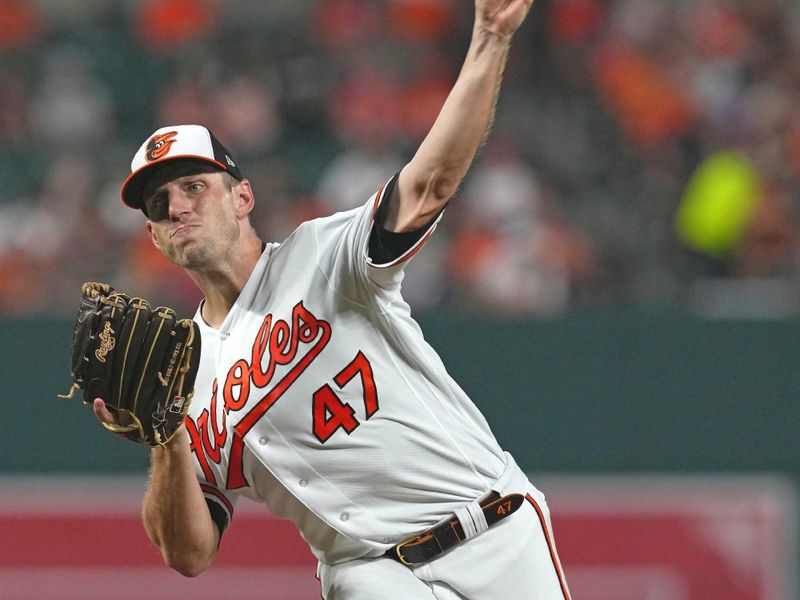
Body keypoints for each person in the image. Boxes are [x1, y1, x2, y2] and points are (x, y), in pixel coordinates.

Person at [94, 0, 572, 597]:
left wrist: (490, 39)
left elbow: (430, 183)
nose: (178, 207)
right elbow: (188, 553)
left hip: (492, 527)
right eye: (159, 205)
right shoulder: (183, 378)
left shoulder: (324, 254)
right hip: (370, 573)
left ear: (243, 197)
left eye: (194, 186)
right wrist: (166, 439)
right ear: (154, 237)